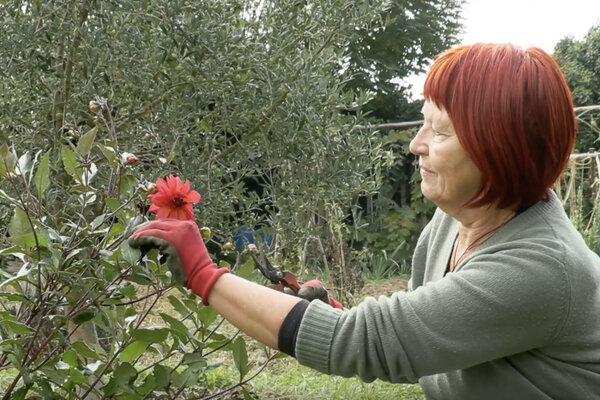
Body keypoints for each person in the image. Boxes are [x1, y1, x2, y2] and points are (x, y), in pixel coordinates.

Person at [128, 43, 600, 399]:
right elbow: (424, 338)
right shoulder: (453, 222)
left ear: (499, 150)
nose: (416, 144)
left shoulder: (540, 270)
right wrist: (332, 313)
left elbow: (367, 344)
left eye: (439, 131)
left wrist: (203, 273)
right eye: (423, 122)